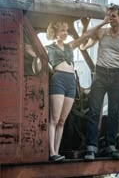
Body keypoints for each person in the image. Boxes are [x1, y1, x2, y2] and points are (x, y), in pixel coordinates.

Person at [80, 4, 119, 160]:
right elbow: (84, 43)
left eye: (113, 16)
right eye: (108, 16)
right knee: (94, 110)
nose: (110, 19)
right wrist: (101, 23)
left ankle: (111, 147)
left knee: (113, 112)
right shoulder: (102, 32)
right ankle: (91, 147)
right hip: (100, 73)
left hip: (116, 76)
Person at [45, 18, 91, 162]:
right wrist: (52, 71)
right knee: (54, 119)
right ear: (55, 33)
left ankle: (56, 152)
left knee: (62, 121)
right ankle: (51, 152)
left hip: (71, 81)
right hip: (58, 80)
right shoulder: (48, 48)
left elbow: (84, 37)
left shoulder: (69, 46)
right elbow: (40, 60)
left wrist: (89, 25)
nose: (65, 33)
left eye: (66, 30)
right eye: (62, 31)